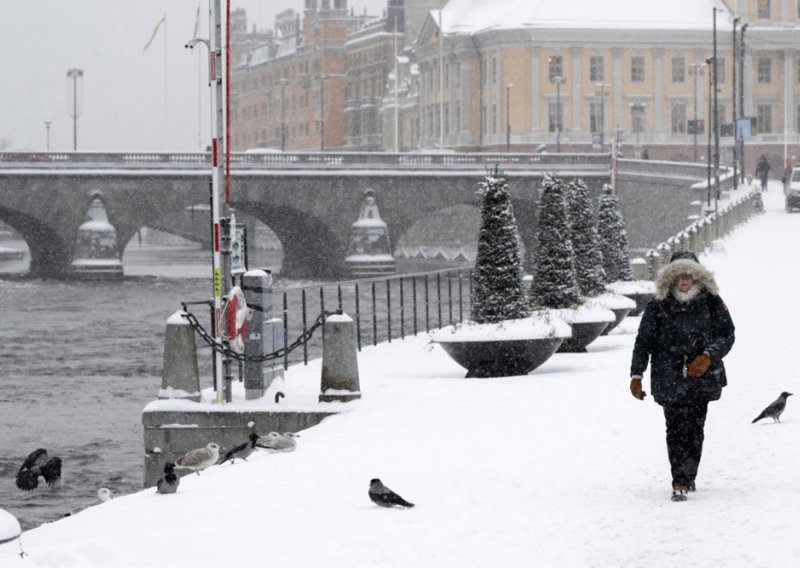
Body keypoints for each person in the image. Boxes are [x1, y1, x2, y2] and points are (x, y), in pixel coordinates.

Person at [629, 251, 735, 501]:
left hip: (702, 377)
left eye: (690, 275)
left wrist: (708, 356)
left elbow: (727, 334)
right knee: (675, 428)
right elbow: (644, 340)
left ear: (697, 277)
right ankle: (679, 479)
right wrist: (636, 374)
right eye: (680, 275)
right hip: (669, 376)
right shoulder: (658, 305)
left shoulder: (712, 301)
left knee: (696, 428)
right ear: (672, 278)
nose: (685, 280)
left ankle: (690, 474)